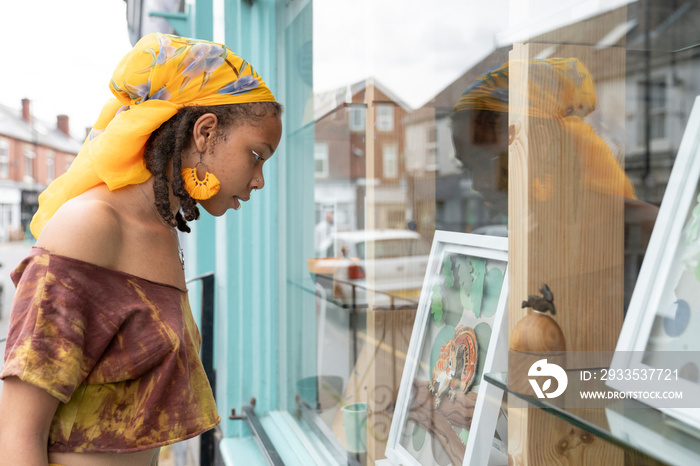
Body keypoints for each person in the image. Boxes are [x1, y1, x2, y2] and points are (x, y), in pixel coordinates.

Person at [0, 33, 282, 466]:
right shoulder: (90, 226)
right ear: (206, 132)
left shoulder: (163, 232)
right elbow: (17, 435)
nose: (259, 179)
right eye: (256, 155)